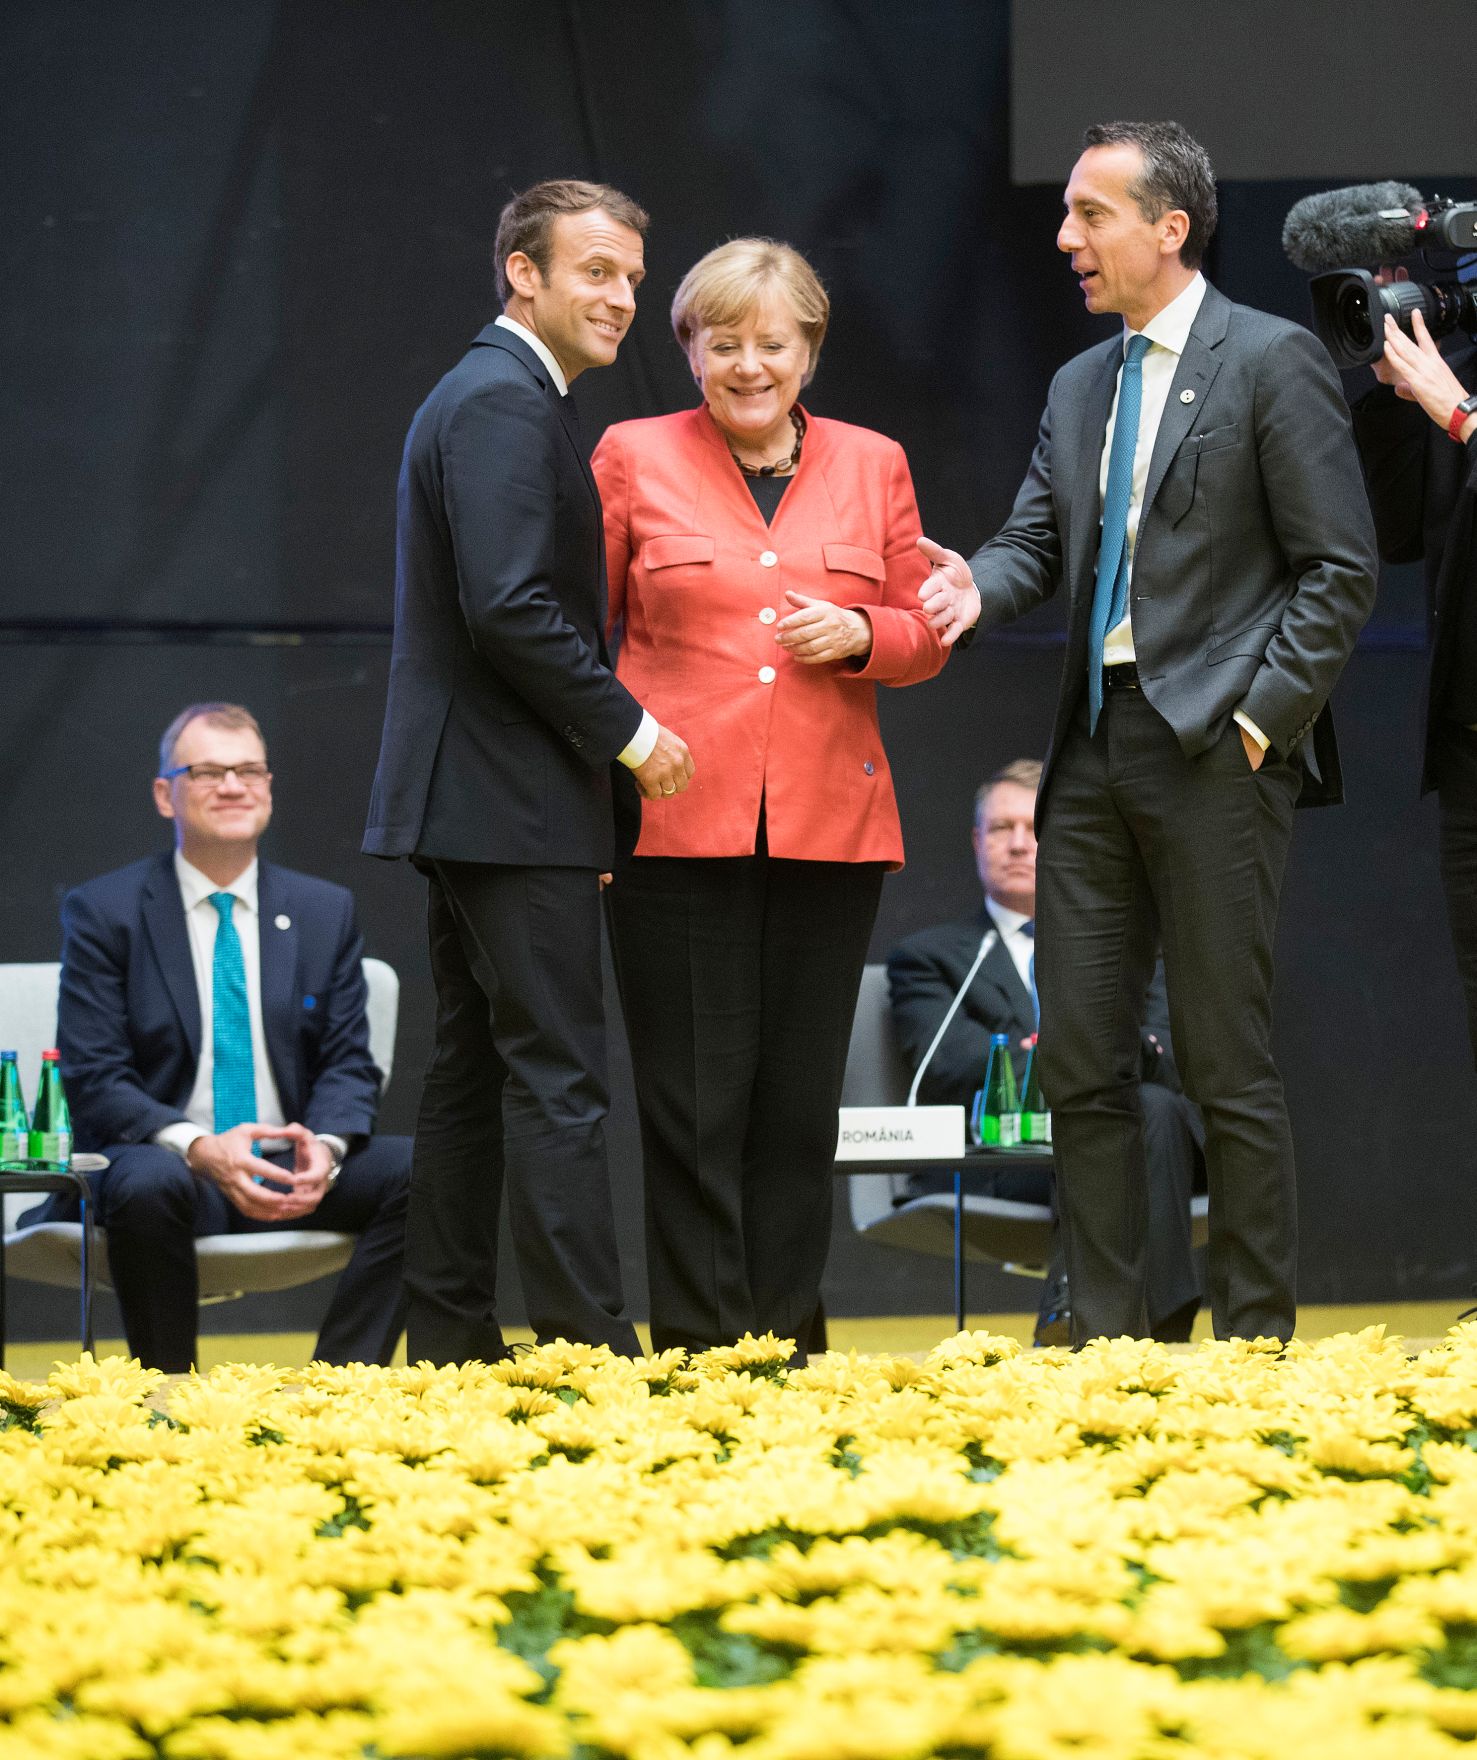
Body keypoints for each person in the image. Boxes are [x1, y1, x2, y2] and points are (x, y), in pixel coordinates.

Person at [918, 121, 1378, 1344]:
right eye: (1067, 214)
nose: (1065, 237)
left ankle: (1255, 1338)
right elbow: (1036, 541)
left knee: (1224, 1059)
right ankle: (1109, 1334)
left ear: (1169, 229)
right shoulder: (1080, 383)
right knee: (1081, 1058)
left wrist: (1260, 727)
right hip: (1089, 747)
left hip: (1216, 748)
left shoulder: (1269, 362)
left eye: (1089, 214)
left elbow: (1339, 570)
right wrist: (972, 586)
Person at [591, 237, 975, 1356]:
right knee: (694, 1107)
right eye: (724, 344)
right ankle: (708, 1356)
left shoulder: (874, 460)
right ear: (689, 350)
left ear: (808, 348)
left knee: (797, 1109)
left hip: (830, 826)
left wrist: (865, 632)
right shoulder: (630, 452)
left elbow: (924, 631)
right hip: (671, 822)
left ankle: (787, 1343)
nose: (748, 365)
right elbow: (575, 630)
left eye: (772, 342)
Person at [363, 179, 694, 1364]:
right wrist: (633, 734)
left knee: (472, 1069)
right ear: (524, 272)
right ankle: (587, 1354)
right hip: (507, 800)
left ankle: (454, 1337)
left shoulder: (499, 394)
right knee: (559, 1075)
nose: (621, 297)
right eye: (596, 271)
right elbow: (509, 610)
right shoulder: (504, 402)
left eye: (631, 279)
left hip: (476, 799)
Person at [27, 703, 411, 1374]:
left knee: (433, 1170)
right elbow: (96, 1077)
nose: (232, 786)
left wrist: (323, 1147)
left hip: (289, 1170)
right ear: (163, 794)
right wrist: (201, 1148)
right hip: (171, 1170)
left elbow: (350, 1064)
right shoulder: (106, 911)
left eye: (248, 770)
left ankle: (341, 1386)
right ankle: (172, 1394)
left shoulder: (324, 911)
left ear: (268, 786)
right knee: (148, 1181)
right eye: (207, 771)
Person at [886, 758, 1203, 1345]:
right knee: (1129, 1115)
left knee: (1153, 1109)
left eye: (1034, 829)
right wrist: (1091, 1056)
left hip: (1135, 1139)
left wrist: (1069, 1056)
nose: (1017, 845)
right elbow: (951, 1064)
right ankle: (1159, 1330)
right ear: (977, 842)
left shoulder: (1132, 949)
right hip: (1004, 1159)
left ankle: (1077, 1312)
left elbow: (1171, 1056)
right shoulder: (929, 957)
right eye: (1001, 829)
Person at [1350, 301, 1477, 1060]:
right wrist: (1393, 388)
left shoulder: (1461, 401)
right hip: (1466, 755)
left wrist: (1461, 418)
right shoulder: (1458, 383)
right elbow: (1400, 532)